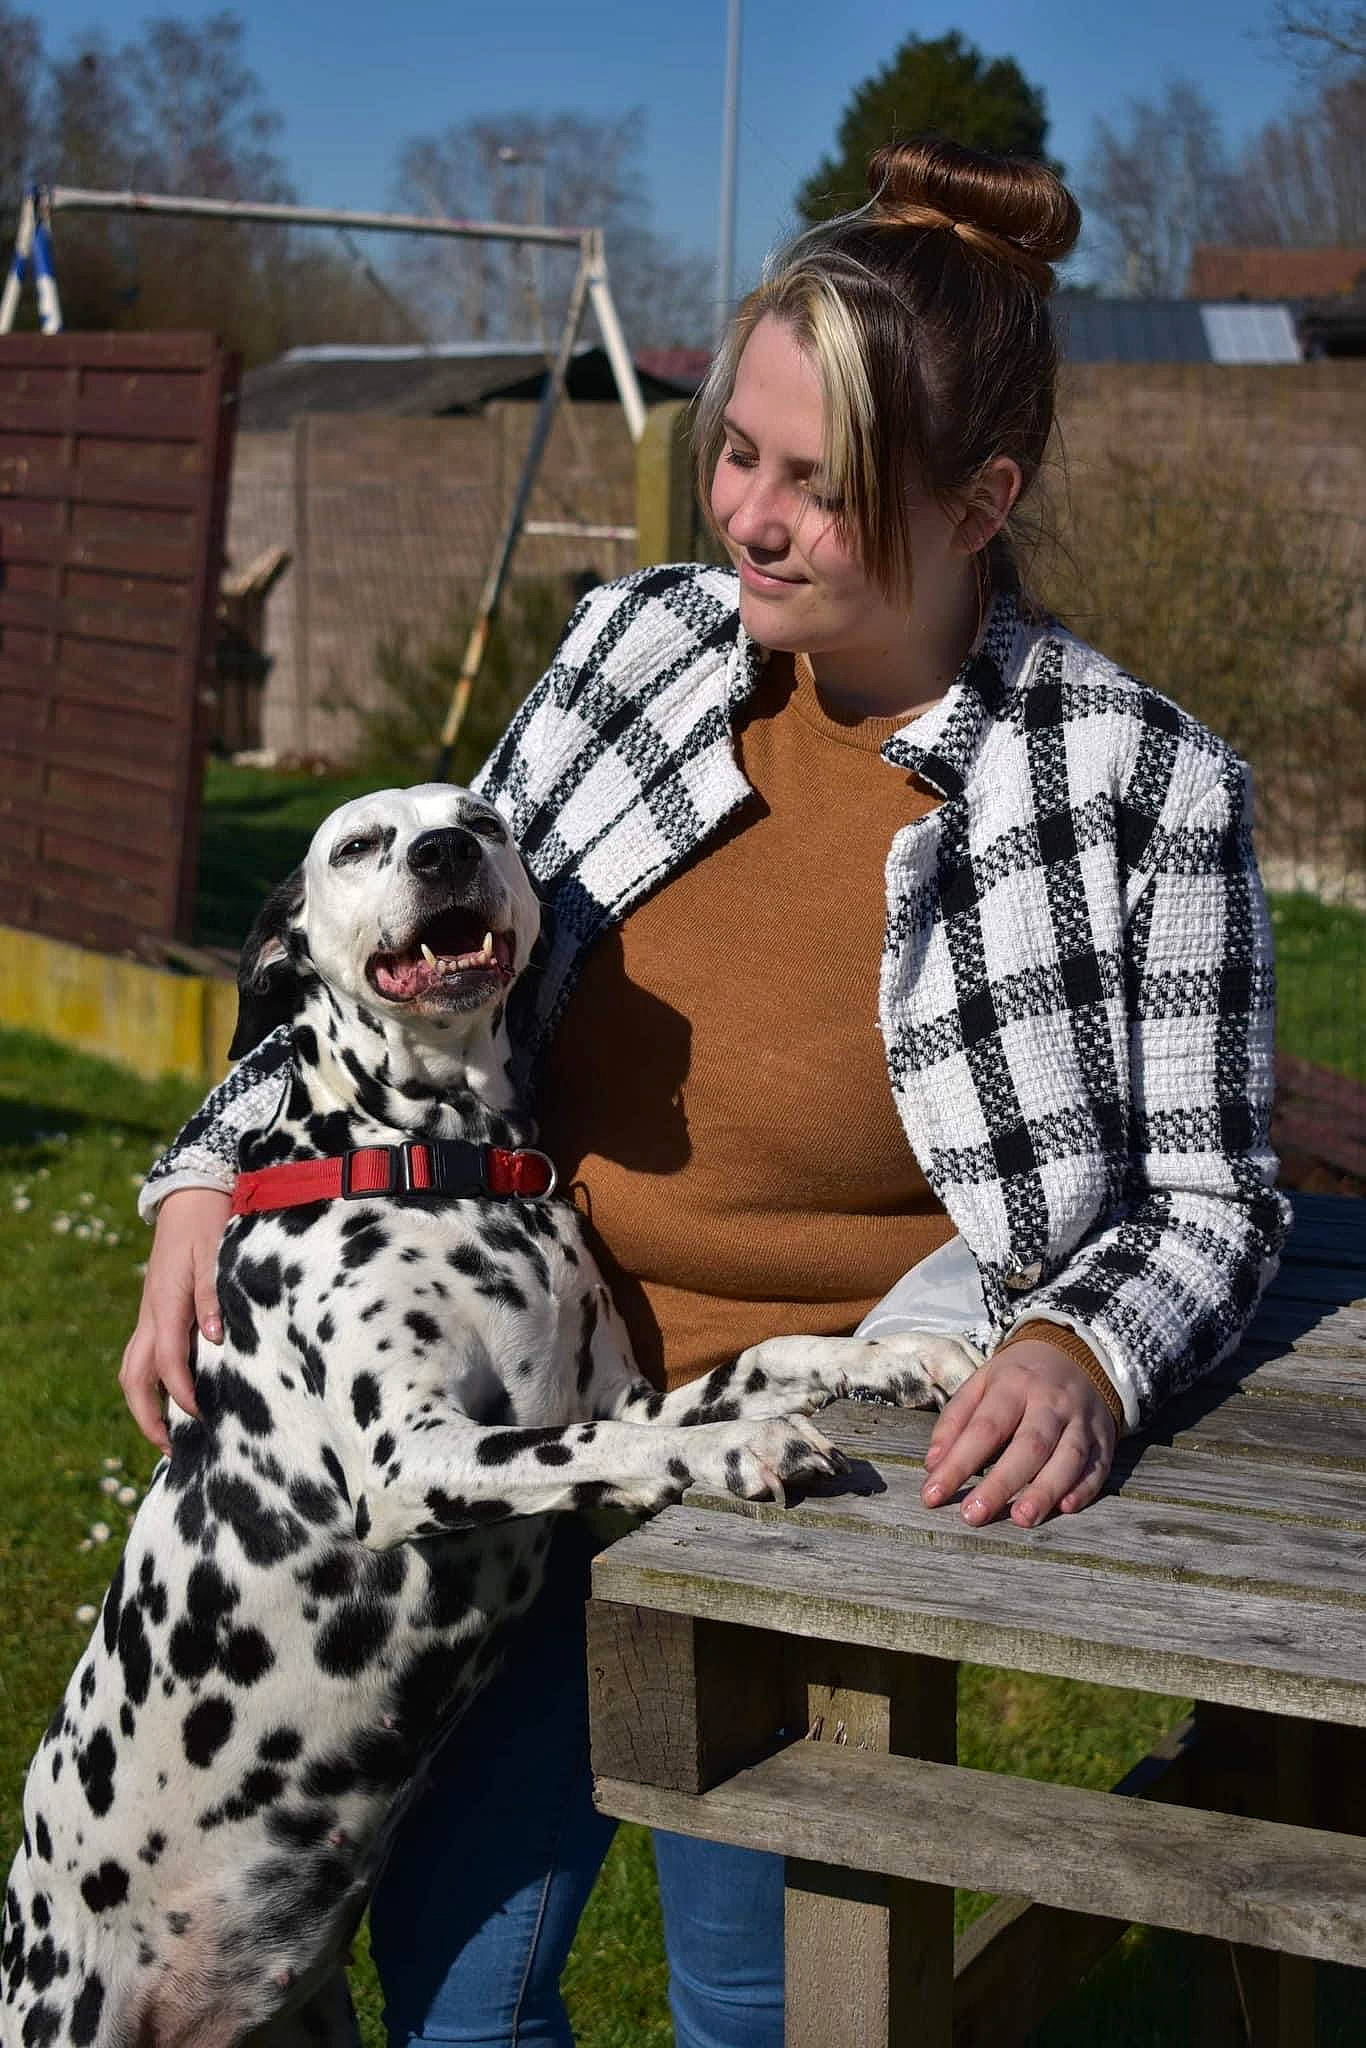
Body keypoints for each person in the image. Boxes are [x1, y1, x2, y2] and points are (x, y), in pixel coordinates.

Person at [120, 139, 1287, 2048]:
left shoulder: (1139, 788)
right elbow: (418, 966)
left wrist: (1084, 1343)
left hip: (797, 1465)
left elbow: (1210, 1195)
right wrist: (204, 1173)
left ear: (982, 499)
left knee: (761, 2001)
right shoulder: (634, 649)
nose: (746, 517)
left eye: (818, 487)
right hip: (517, 1406)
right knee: (455, 1981)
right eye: (734, 451)